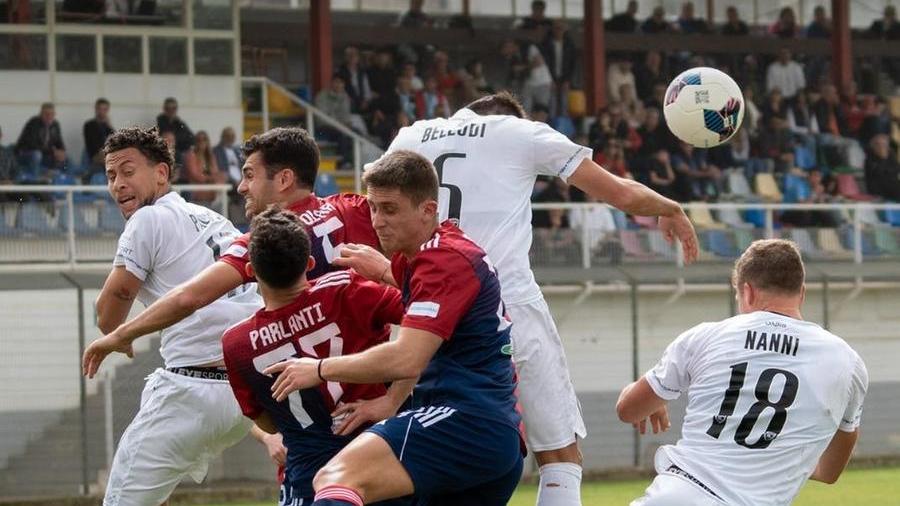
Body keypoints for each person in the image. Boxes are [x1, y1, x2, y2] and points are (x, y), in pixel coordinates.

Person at [351, 92, 698, 506]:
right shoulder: (520, 132)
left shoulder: (412, 135)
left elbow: (374, 200)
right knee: (558, 455)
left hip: (426, 307)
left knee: (435, 443)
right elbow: (618, 192)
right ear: (511, 116)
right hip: (505, 303)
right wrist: (669, 206)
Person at [265, 150, 524, 505]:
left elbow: (407, 358)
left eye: (390, 209)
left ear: (428, 210)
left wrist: (319, 369)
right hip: (484, 432)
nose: (377, 221)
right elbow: (429, 319)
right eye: (372, 207)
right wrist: (388, 271)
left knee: (336, 477)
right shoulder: (430, 252)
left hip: (466, 421)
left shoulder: (443, 261)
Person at [88, 126, 381, 384]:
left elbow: (188, 297)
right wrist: (388, 272)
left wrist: (123, 333)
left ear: (283, 180)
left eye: (249, 176)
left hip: (312, 382)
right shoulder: (350, 206)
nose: (241, 187)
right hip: (372, 374)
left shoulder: (262, 242)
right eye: (110, 175)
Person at [80, 126, 262, 506]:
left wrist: (120, 326)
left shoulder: (145, 221)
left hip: (193, 389)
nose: (118, 184)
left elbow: (107, 318)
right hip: (244, 395)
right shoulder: (214, 220)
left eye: (128, 171)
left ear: (161, 173)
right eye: (111, 175)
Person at [618, 239, 868, 506]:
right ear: (802, 293)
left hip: (676, 495)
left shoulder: (705, 336)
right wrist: (783, 457)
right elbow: (828, 473)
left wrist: (639, 392)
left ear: (747, 292)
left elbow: (628, 411)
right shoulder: (848, 362)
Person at [223, 207, 414, 505]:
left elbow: (270, 425)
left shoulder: (236, 344)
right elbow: (426, 318)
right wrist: (394, 398)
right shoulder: (346, 289)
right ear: (310, 263)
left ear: (250, 272)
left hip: (308, 477)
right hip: (379, 462)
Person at [15, 102, 66, 180]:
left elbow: (59, 142)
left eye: (52, 114)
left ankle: (63, 179)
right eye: (46, 114)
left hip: (44, 154)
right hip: (25, 154)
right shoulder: (33, 122)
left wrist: (61, 151)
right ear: (41, 114)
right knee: (37, 154)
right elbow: (32, 145)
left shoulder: (55, 125)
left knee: (65, 158)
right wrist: (53, 152)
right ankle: (35, 180)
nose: (49, 116)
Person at [83, 97, 115, 180]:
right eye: (100, 109)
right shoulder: (89, 125)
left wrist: (109, 126)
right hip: (94, 158)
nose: (102, 112)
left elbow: (116, 140)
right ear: (96, 109)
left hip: (107, 157)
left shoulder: (107, 126)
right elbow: (92, 145)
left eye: (105, 109)